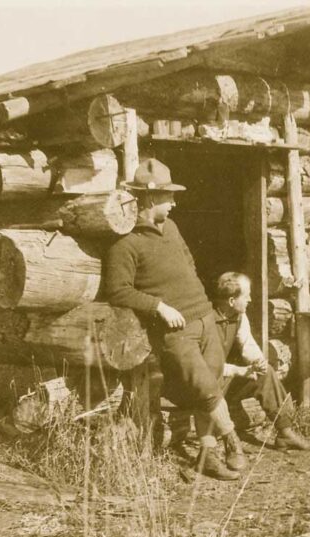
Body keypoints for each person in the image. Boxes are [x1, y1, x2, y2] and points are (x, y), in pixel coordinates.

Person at [104, 158, 248, 481]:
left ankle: (207, 456)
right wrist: (159, 307)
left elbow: (189, 262)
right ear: (151, 199)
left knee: (207, 389)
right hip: (176, 331)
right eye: (168, 197)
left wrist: (196, 299)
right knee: (207, 390)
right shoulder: (124, 245)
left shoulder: (172, 228)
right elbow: (118, 291)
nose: (174, 203)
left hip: (205, 318)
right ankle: (233, 443)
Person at [211, 272, 310, 451]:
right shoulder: (207, 321)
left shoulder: (238, 316)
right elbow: (205, 367)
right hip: (207, 383)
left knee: (266, 372)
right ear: (231, 301)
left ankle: (285, 432)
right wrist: (238, 370)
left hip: (225, 379)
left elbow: (247, 344)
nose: (251, 299)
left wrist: (258, 362)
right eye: (246, 295)